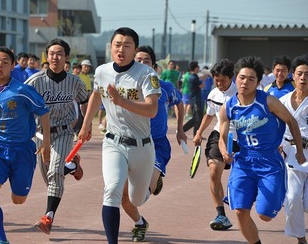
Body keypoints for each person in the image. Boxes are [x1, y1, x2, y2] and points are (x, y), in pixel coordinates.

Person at [78, 27, 161, 244]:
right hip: (113, 142)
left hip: (142, 147)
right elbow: (96, 95)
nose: (121, 49)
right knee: (112, 191)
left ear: (135, 49)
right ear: (111, 47)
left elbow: (152, 110)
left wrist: (122, 101)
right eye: (117, 44)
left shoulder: (147, 74)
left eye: (127, 45)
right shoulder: (102, 71)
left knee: (135, 199)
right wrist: (86, 124)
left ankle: (146, 196)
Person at [218, 55, 305, 244]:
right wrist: (224, 150)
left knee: (265, 215)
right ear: (235, 78)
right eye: (242, 78)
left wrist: (299, 149)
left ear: (258, 82)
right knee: (240, 210)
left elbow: (291, 121)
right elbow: (222, 137)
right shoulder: (228, 107)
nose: (245, 82)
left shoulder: (269, 101)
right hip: (243, 161)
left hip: (269, 161)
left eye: (251, 79)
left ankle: (271, 195)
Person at [0, 46, 51, 244]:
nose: (0, 65)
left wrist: (46, 142)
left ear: (13, 66)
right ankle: (1, 239)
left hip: (23, 150)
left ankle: (19, 184)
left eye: (5, 62)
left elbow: (44, 112)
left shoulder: (23, 90)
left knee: (18, 199)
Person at [121, 45, 187, 242]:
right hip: (131, 144)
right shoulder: (127, 87)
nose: (142, 63)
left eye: (146, 60)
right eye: (138, 60)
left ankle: (154, 179)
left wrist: (180, 128)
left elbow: (180, 104)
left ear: (154, 65)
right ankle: (140, 223)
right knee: (125, 197)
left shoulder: (165, 87)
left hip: (156, 144)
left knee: (140, 198)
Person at [25, 38, 88, 235]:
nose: (55, 57)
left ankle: (48, 217)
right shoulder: (35, 81)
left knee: (54, 173)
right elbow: (20, 100)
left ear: (66, 57)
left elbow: (85, 101)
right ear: (47, 56)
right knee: (51, 179)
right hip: (40, 135)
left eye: (60, 53)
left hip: (63, 132)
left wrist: (87, 123)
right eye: (52, 53)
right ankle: (72, 166)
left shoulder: (75, 82)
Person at [192, 59, 238, 231]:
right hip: (220, 134)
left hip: (242, 138)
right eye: (216, 80)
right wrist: (198, 132)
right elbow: (209, 115)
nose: (219, 83)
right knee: (213, 172)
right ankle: (221, 214)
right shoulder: (213, 94)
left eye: (223, 80)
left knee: (243, 177)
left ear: (231, 78)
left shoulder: (241, 93)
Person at [279, 54, 308, 244]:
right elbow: (276, 128)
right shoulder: (282, 101)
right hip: (291, 154)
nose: (304, 78)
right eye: (300, 74)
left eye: (307, 74)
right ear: (293, 76)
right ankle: (300, 238)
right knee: (293, 197)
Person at [183, 61, 205, 136]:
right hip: (195, 100)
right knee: (198, 118)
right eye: (197, 67)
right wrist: (204, 79)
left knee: (196, 118)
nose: (198, 68)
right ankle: (192, 133)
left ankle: (184, 130)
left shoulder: (193, 77)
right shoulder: (194, 77)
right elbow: (201, 86)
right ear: (195, 68)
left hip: (194, 99)